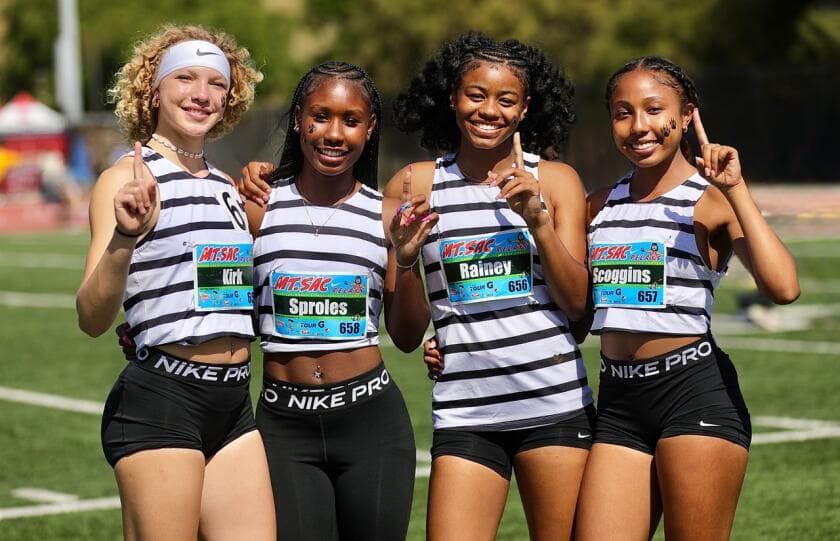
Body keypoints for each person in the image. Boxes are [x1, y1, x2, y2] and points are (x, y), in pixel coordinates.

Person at [574, 56, 800, 540]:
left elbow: (783, 287)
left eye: (655, 109)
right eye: (623, 112)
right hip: (618, 400)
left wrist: (736, 188)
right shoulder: (598, 204)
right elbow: (573, 310)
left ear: (686, 115)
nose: (640, 127)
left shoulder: (711, 198)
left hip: (693, 392)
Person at [75, 24, 274, 540]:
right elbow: (92, 318)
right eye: (184, 77)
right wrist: (124, 235)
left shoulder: (228, 186)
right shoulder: (125, 179)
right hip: (163, 401)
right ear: (153, 88)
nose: (201, 94)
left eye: (216, 84)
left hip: (234, 404)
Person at [392, 32, 594, 540]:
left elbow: (578, 309)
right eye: (476, 95)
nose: (489, 111)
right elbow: (406, 336)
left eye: (506, 100)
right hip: (465, 410)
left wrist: (538, 221)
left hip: (554, 404)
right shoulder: (414, 184)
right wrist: (407, 259)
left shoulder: (556, 180)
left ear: (525, 108)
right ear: (452, 98)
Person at [242, 61, 435, 540]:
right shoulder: (255, 206)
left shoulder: (389, 216)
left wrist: (408, 259)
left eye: (350, 121)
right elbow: (222, 296)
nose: (333, 133)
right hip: (283, 425)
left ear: (369, 129)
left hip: (371, 422)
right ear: (296, 119)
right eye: (320, 116)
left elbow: (408, 337)